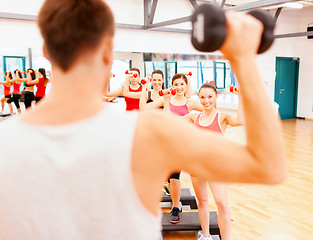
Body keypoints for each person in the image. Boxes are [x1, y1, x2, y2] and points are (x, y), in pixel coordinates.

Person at [0, 1, 287, 240]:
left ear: (47, 52)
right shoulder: (150, 133)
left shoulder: (4, 142)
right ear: (109, 51)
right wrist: (243, 58)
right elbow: (269, 166)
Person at [185, 83, 242, 240]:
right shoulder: (194, 116)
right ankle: (206, 235)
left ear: (216, 96)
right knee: (202, 201)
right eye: (202, 97)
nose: (206, 100)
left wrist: (240, 97)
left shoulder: (222, 117)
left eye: (210, 96)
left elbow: (241, 120)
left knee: (222, 203)